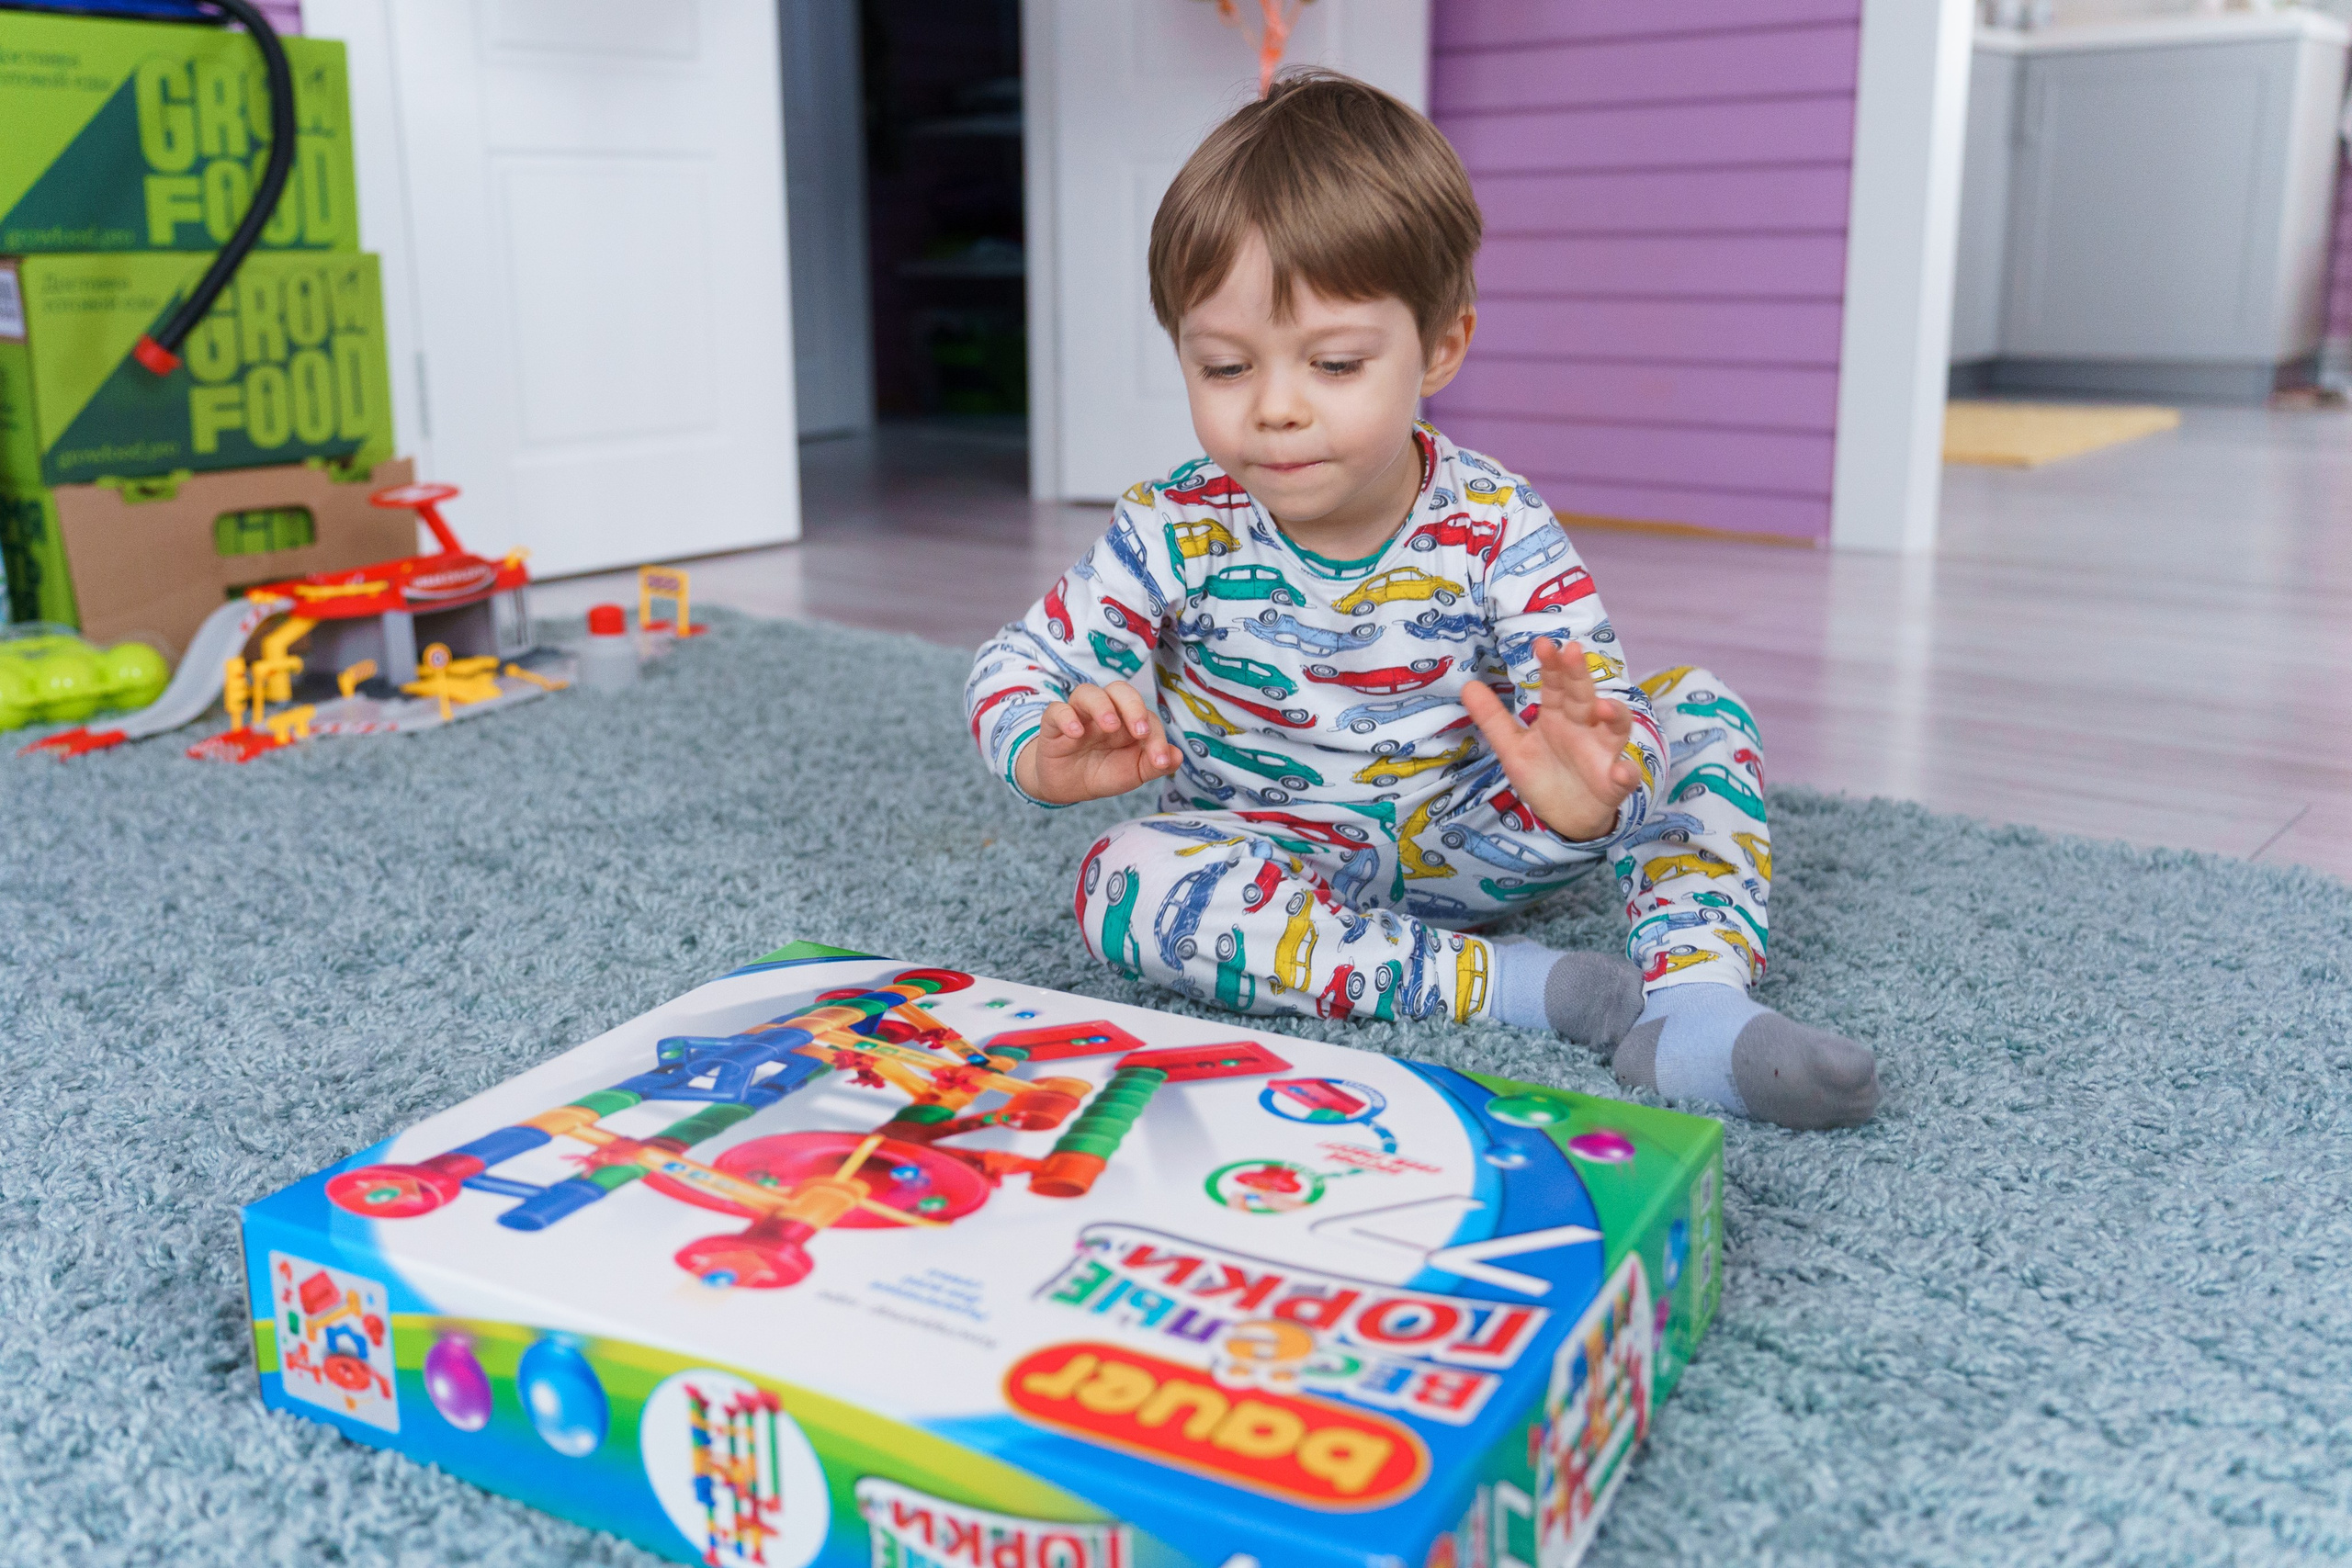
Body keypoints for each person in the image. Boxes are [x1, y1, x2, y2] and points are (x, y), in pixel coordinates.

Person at [964, 72, 1877, 1129]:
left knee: (1702, 713)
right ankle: (1543, 991)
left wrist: (1592, 797)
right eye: (1222, 367)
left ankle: (1696, 1006)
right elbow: (1013, 664)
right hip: (1274, 854)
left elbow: (1599, 721)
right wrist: (1038, 743)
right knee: (1123, 881)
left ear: (1438, 348)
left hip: (1482, 837)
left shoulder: (1496, 521)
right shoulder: (1170, 526)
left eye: (1335, 363)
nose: (1274, 410)